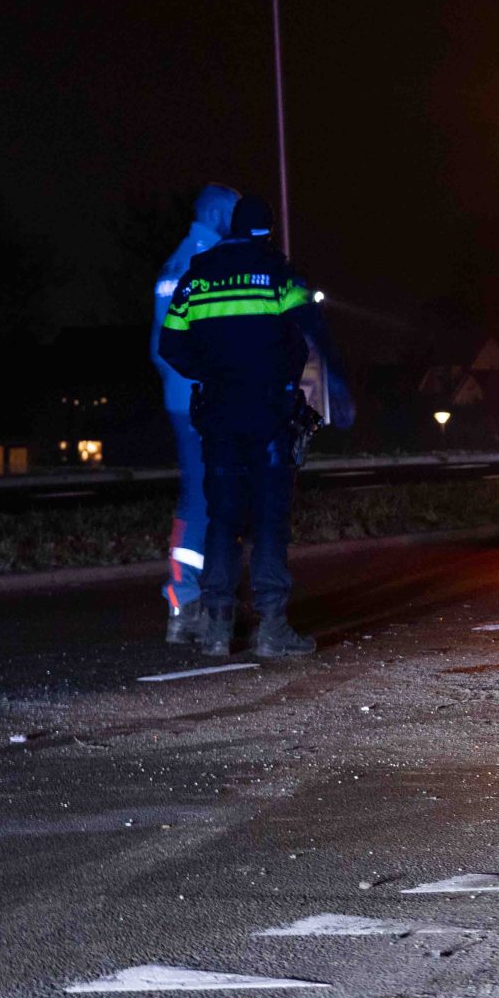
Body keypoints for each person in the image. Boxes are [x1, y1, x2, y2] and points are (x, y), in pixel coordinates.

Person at [159, 195, 333, 658]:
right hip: (269, 413)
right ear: (267, 231)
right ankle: (271, 626)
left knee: (223, 519)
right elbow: (309, 325)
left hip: (218, 414)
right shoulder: (276, 271)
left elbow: (171, 344)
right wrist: (283, 365)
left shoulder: (198, 274)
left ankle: (218, 628)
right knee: (270, 521)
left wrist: (213, 371)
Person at [151, 184, 239, 644]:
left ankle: (184, 603)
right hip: (205, 401)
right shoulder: (204, 266)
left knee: (196, 501)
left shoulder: (174, 262)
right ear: (216, 213)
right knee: (214, 502)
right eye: (232, 212)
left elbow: (158, 347)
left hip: (180, 398)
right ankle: (199, 604)